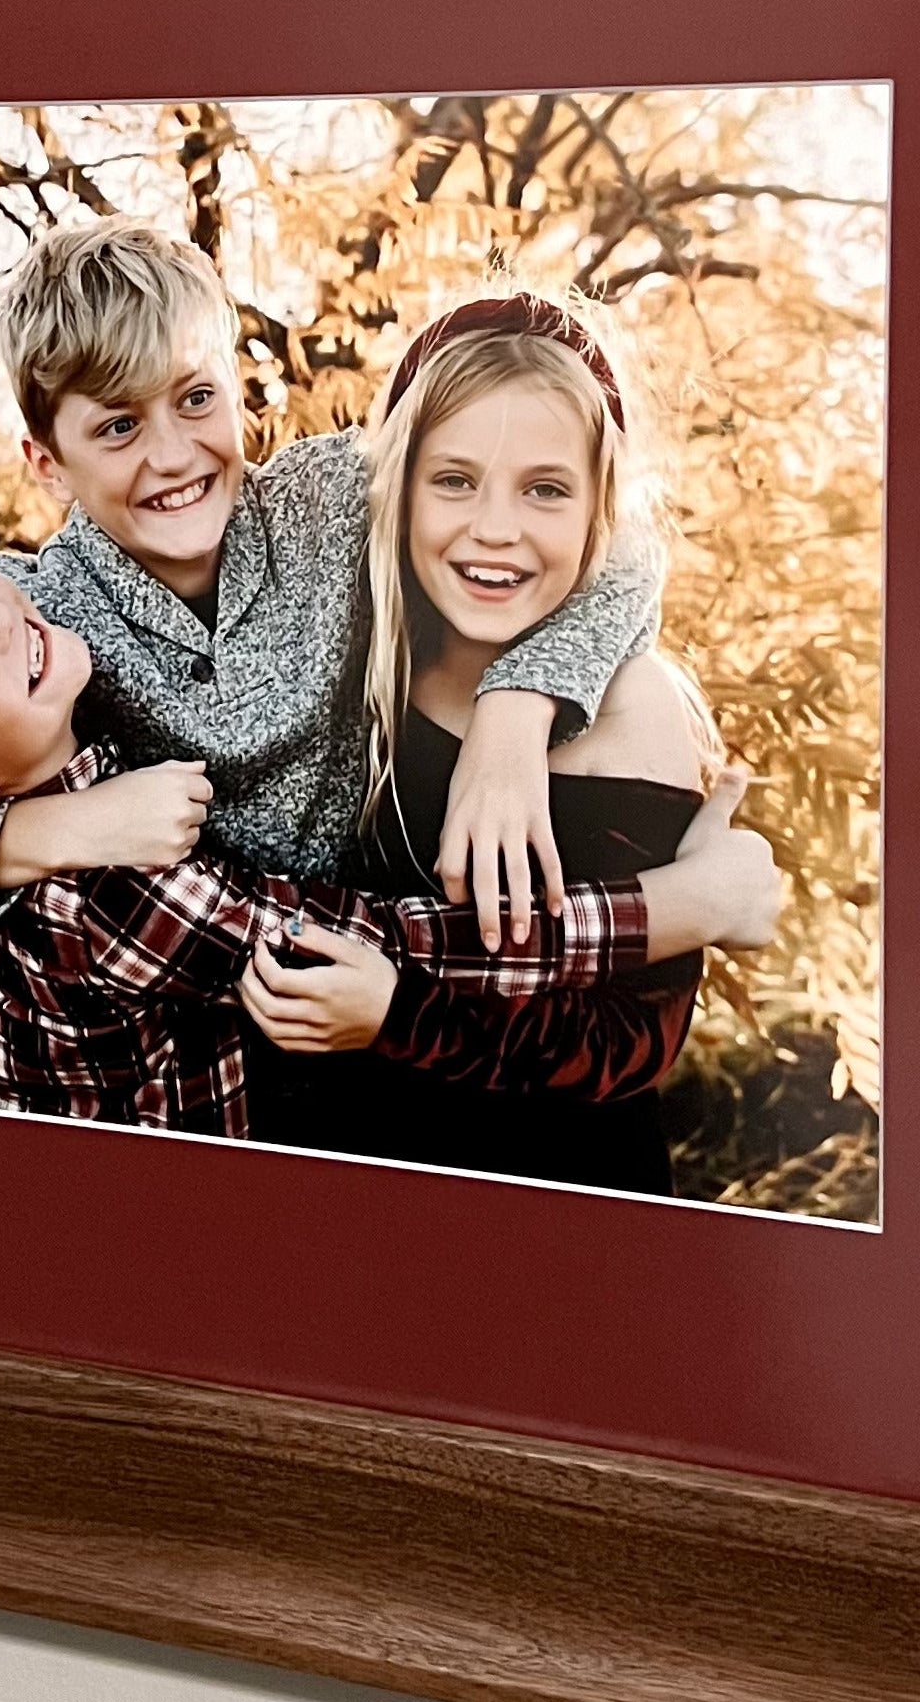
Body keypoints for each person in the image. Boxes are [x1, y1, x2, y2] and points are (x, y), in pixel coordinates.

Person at [0, 217, 661, 950]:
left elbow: (619, 547)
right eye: (117, 425)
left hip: (380, 937)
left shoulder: (334, 497)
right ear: (47, 464)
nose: (174, 455)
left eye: (194, 399)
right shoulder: (38, 620)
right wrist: (55, 830)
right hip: (205, 978)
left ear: (239, 389)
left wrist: (511, 719)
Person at [0, 544, 782, 1137]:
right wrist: (692, 907)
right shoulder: (109, 899)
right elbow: (403, 944)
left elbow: (626, 539)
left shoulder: (50, 642)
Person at [238, 293, 720, 1195]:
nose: (494, 528)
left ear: (596, 511)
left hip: (552, 1202)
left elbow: (631, 1041)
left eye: (544, 489)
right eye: (454, 480)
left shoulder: (633, 706)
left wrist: (398, 1016)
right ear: (401, 487)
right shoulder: (359, 658)